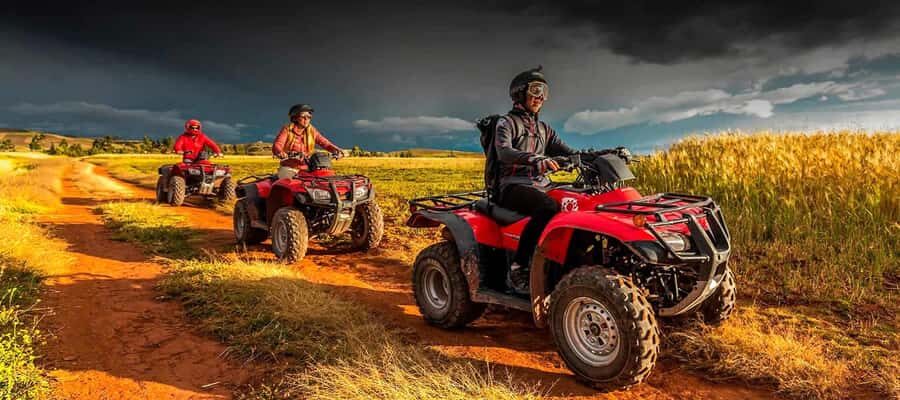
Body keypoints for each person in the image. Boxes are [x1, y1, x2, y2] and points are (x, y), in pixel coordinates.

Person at [493, 66, 576, 293]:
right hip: (512, 186)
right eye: (536, 90)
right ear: (520, 93)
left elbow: (569, 151)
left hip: (539, 185)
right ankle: (519, 266)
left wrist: (602, 155)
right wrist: (535, 159)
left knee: (574, 200)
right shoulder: (506, 123)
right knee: (548, 206)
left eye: (544, 92)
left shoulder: (544, 129)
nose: (541, 97)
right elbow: (504, 152)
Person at [272, 104, 344, 172]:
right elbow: (278, 144)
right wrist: (280, 152)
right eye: (303, 116)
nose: (306, 119)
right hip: (289, 167)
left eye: (309, 117)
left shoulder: (312, 130)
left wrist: (337, 150)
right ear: (295, 118)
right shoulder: (287, 129)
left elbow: (325, 143)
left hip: (308, 167)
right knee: (286, 182)